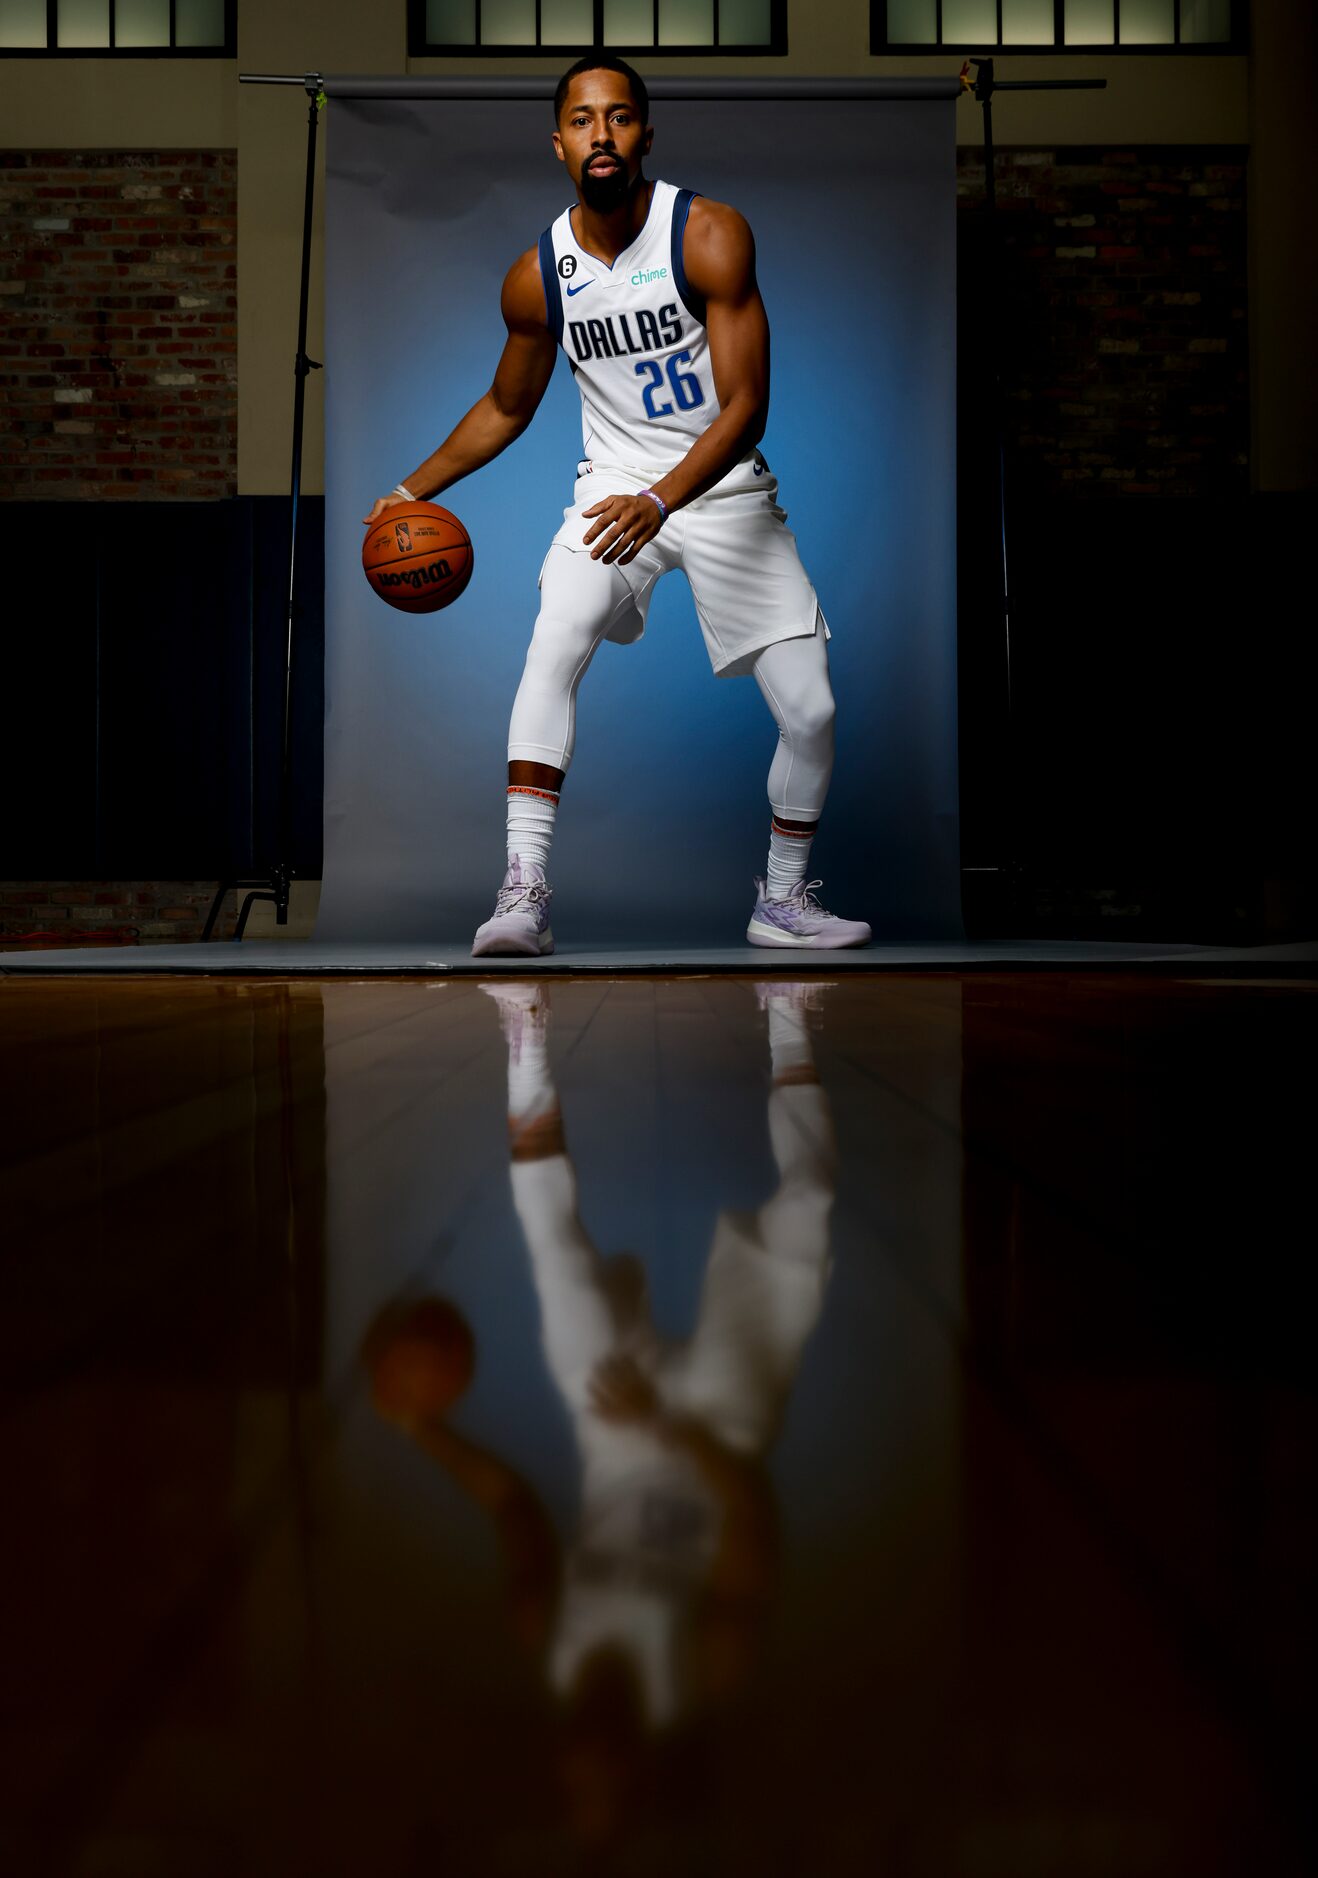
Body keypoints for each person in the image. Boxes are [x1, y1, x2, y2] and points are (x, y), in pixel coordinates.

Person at [364, 54, 871, 956]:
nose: (603, 134)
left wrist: (663, 498)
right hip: (612, 492)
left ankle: (782, 902)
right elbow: (508, 406)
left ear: (644, 131)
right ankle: (523, 892)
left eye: (621, 117)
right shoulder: (540, 274)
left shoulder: (707, 233)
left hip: (720, 492)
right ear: (558, 141)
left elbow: (748, 400)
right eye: (584, 120)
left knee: (814, 710)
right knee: (554, 638)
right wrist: (411, 491)